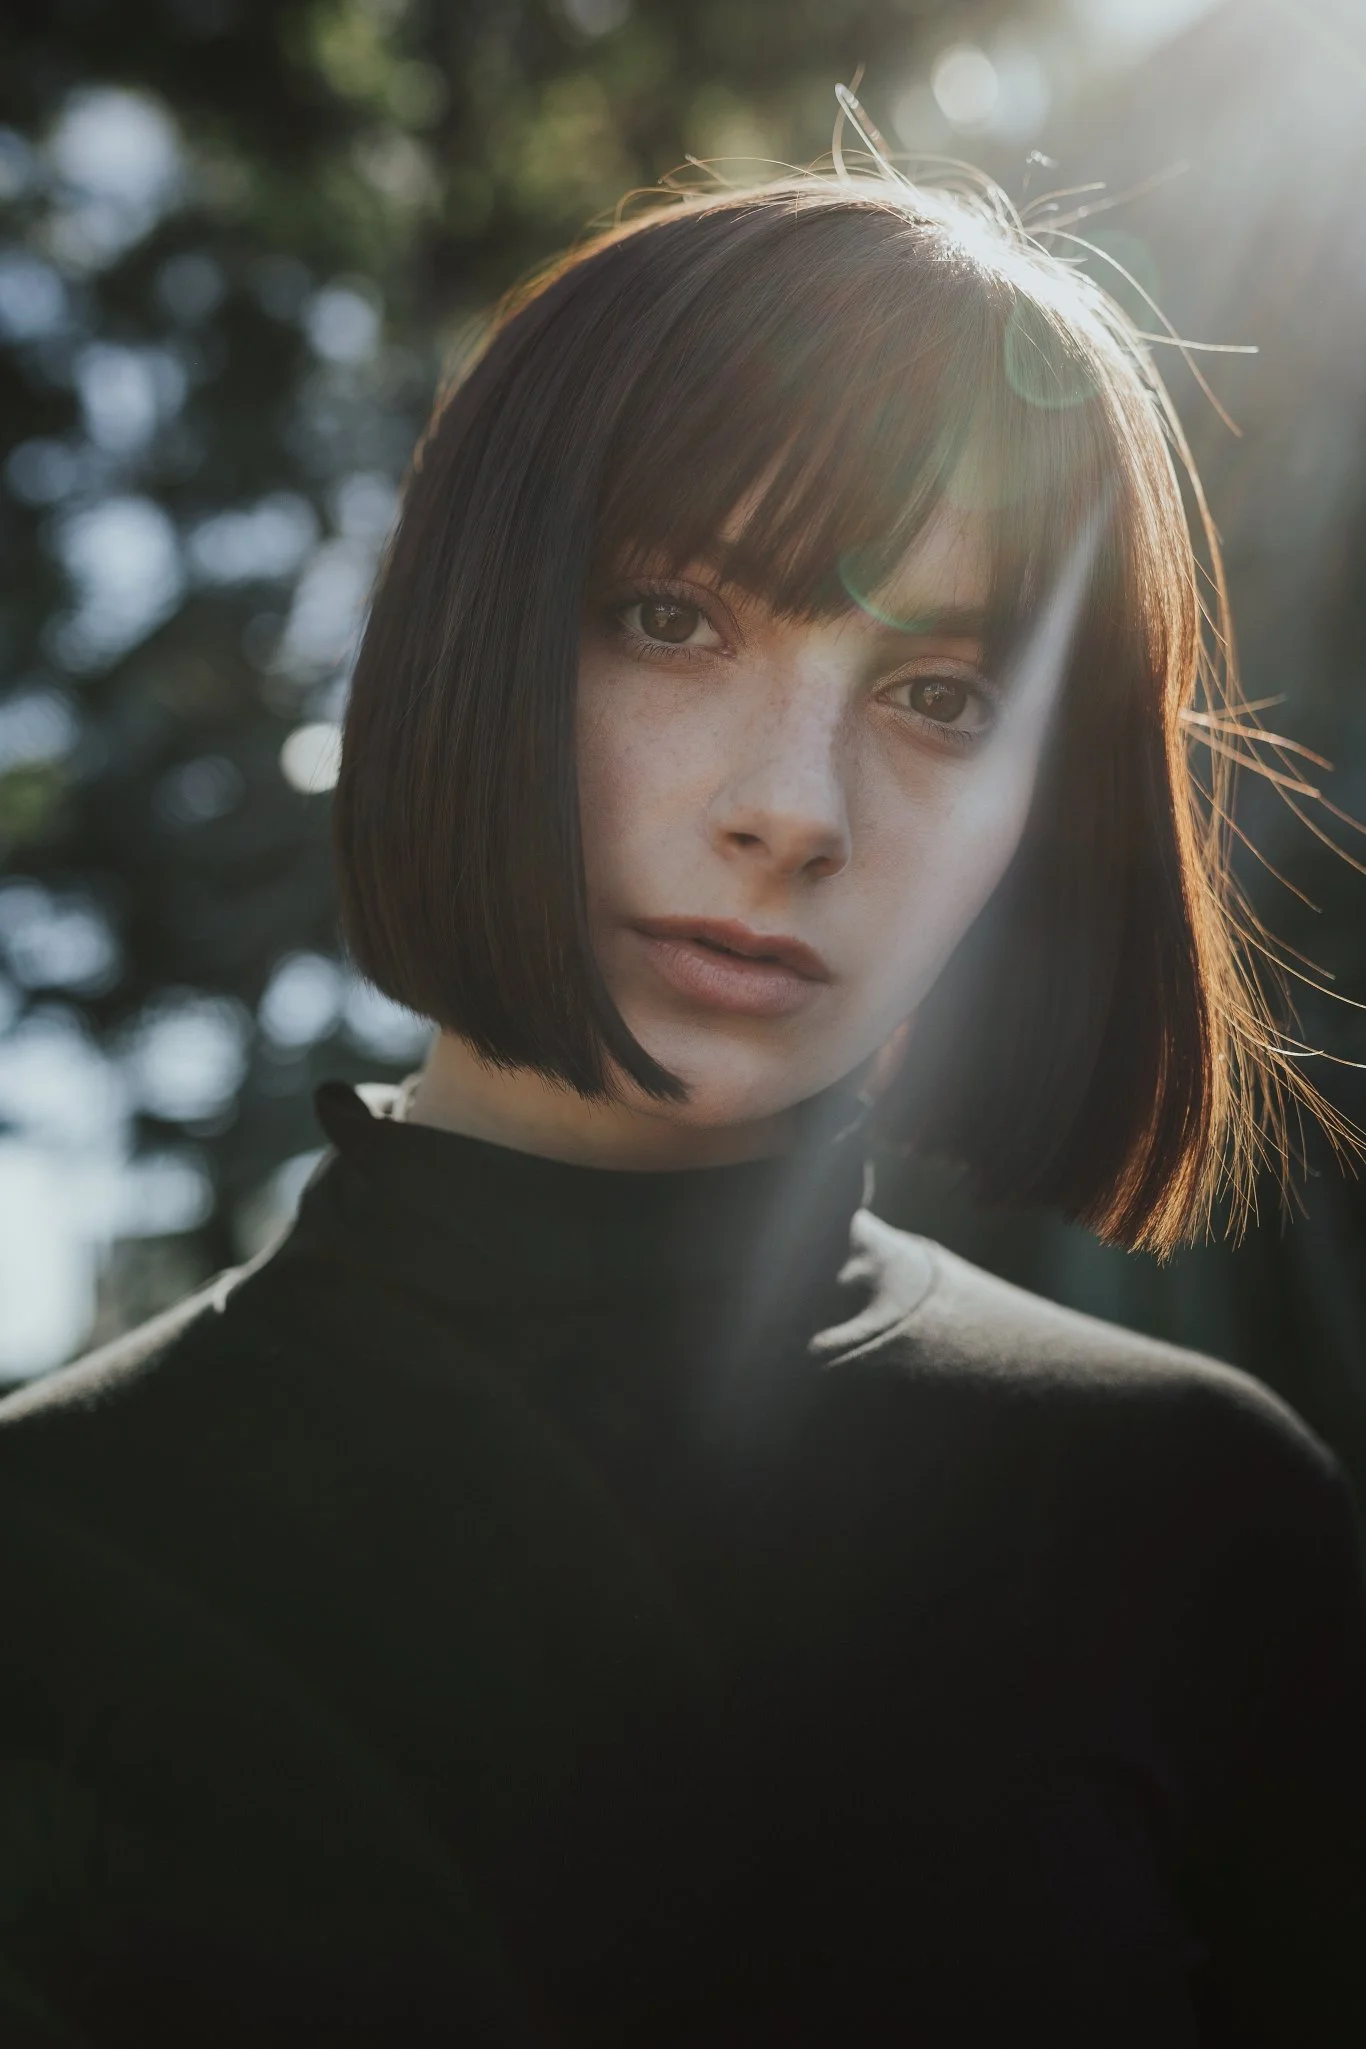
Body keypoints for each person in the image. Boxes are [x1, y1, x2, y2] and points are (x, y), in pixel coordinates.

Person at [0, 165, 1363, 2048]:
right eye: (671, 614)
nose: (793, 807)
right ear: (464, 636)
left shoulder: (1212, 1532)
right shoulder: (49, 1555)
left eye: (940, 694)